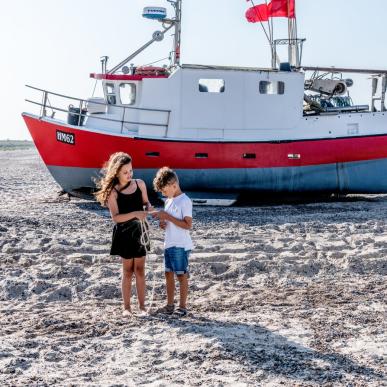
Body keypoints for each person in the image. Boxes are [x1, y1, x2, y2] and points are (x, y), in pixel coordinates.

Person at [95, 152, 152, 317]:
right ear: (117, 172)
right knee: (127, 271)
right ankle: (126, 308)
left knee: (140, 270)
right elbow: (116, 218)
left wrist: (148, 207)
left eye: (131, 171)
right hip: (124, 233)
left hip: (140, 231)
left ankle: (142, 307)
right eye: (125, 172)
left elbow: (146, 202)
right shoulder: (113, 192)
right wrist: (135, 213)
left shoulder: (139, 184)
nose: (129, 175)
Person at [152, 167, 193, 317]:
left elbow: (188, 225)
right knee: (168, 273)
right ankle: (170, 305)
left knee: (181, 275)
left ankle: (182, 307)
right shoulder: (168, 201)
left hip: (181, 245)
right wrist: (163, 223)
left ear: (173, 185)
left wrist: (168, 218)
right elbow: (170, 222)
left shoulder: (185, 201)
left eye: (164, 190)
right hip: (169, 243)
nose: (163, 194)